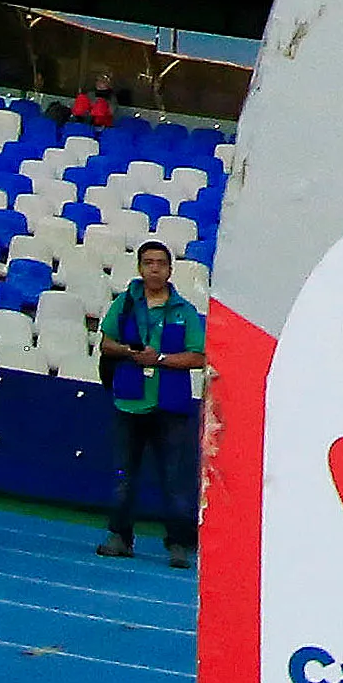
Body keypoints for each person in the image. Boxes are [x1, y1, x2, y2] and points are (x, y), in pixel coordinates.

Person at [93, 238, 209, 566]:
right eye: (148, 263)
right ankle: (120, 536)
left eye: (160, 263)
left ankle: (178, 542)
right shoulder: (125, 304)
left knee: (174, 480)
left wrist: (158, 359)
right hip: (130, 401)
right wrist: (130, 352)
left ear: (170, 270)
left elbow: (198, 356)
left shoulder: (185, 311)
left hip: (170, 405)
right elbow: (106, 343)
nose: (154, 269)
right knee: (124, 475)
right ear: (140, 268)